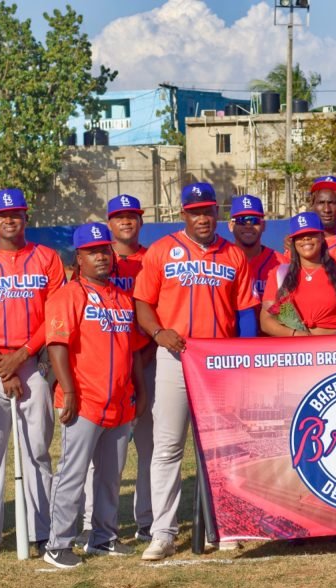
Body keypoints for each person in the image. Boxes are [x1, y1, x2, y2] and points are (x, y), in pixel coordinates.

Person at [133, 182, 259, 561]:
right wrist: (158, 332)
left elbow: (246, 312)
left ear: (217, 213)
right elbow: (142, 304)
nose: (202, 218)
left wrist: (243, 357)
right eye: (195, 212)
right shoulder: (161, 250)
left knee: (223, 448)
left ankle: (227, 525)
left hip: (218, 362)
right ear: (183, 214)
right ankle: (163, 533)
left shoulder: (233, 255)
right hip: (175, 356)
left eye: (207, 211)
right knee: (167, 446)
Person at [0, 188, 61, 561]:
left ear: (25, 217)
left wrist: (21, 356)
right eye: (3, 214)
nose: (9, 219)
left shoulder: (47, 258)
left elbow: (54, 315)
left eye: (16, 213)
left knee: (37, 449)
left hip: (32, 363)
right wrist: (0, 364)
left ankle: (42, 529)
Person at [42, 223, 147, 569]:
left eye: (104, 250)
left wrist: (140, 389)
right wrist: (69, 390)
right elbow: (57, 345)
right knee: (72, 474)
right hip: (84, 400)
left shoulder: (122, 298)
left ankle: (103, 536)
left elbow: (132, 350)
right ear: (79, 257)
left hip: (119, 399)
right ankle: (58, 544)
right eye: (92, 251)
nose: (100, 256)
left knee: (110, 475)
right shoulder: (68, 295)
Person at [76, 193, 157, 548]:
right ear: (109, 224)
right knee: (99, 453)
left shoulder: (153, 258)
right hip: (104, 368)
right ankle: (90, 524)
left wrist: (148, 353)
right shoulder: (96, 262)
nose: (126, 221)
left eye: (132, 215)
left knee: (149, 448)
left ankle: (147, 521)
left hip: (147, 359)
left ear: (141, 220)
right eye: (119, 216)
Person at [260, 212, 336, 337]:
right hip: (295, 347)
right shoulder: (280, 274)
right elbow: (266, 321)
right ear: (293, 242)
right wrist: (295, 334)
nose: (306, 239)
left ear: (322, 237)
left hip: (332, 346)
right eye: (300, 236)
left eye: (311, 234)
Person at [228, 194, 280, 305]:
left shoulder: (281, 264)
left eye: (254, 220)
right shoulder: (219, 262)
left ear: (263, 225)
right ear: (231, 225)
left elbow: (289, 306)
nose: (248, 226)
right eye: (241, 220)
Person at [308, 175, 336, 244]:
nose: (326, 210)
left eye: (332, 203)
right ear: (312, 204)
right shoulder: (301, 244)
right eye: (321, 202)